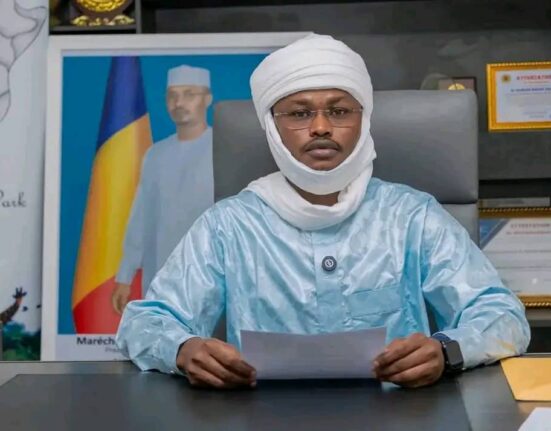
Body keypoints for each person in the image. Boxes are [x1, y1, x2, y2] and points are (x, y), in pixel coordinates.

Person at [116, 34, 530, 389]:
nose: (320, 127)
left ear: (363, 120)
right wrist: (184, 349)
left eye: (339, 111)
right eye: (299, 113)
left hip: (401, 413)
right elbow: (143, 323)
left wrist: (447, 350)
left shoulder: (411, 216)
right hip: (262, 414)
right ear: (272, 126)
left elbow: (503, 316)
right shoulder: (229, 225)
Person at [111, 65, 214, 314]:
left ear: (207, 99)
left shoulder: (222, 146)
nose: (179, 103)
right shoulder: (156, 155)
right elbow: (141, 217)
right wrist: (125, 276)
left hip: (211, 274)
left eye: (189, 94)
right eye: (172, 96)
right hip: (160, 275)